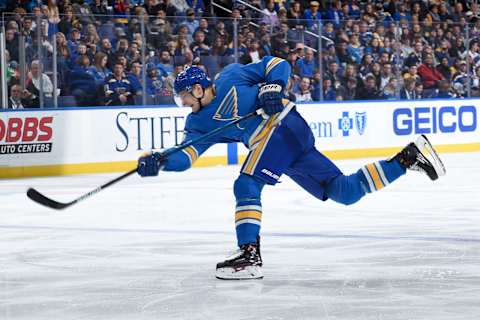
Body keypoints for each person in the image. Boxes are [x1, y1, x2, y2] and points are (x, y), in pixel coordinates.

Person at [136, 56, 445, 280]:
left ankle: (249, 255)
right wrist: (161, 160)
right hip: (283, 144)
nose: (183, 102)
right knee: (344, 192)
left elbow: (276, 64)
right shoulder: (197, 123)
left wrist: (273, 87)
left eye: (185, 96)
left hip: (282, 125)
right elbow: (186, 156)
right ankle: (408, 158)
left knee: (246, 185)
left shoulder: (231, 76)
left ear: (200, 88)